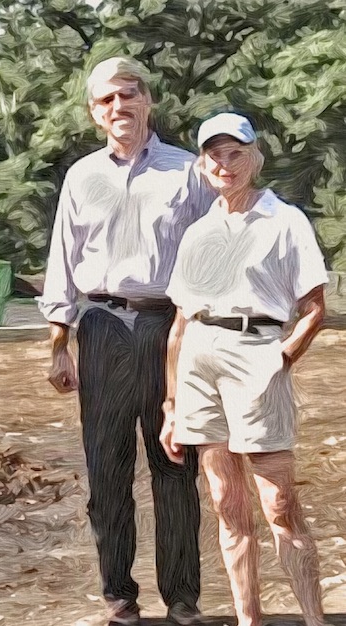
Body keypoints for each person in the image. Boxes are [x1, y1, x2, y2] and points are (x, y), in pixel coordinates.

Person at [38, 56, 214, 626]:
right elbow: (62, 260)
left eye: (129, 95)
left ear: (148, 101)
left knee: (175, 466)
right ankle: (119, 596)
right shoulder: (81, 176)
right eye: (107, 100)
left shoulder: (189, 172)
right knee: (107, 472)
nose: (120, 107)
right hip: (101, 330)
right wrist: (58, 343)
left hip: (170, 328)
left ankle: (183, 599)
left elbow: (214, 251)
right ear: (94, 113)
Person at [160, 112, 328, 626]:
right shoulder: (198, 231)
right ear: (203, 163)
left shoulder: (286, 220)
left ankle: (316, 620)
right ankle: (248, 619)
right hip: (198, 363)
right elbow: (179, 323)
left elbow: (315, 308)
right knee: (227, 505)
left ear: (255, 157)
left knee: (279, 504)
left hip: (258, 351)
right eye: (215, 154)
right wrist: (170, 405)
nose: (225, 164)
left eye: (236, 153)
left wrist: (280, 359)